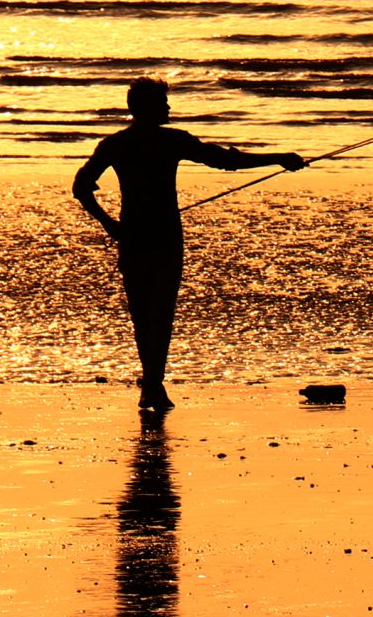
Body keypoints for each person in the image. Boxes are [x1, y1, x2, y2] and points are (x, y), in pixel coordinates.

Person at [73, 78, 306, 411]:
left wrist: (111, 225)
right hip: (165, 234)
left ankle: (151, 383)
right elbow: (226, 161)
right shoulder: (170, 141)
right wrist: (278, 157)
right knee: (161, 311)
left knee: (144, 312)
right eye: (163, 103)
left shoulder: (116, 144)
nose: (168, 108)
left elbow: (81, 186)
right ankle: (152, 384)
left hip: (134, 235)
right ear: (148, 107)